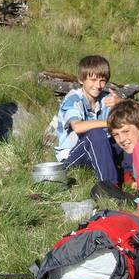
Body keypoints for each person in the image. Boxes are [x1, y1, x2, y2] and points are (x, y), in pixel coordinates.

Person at [54, 55, 129, 187]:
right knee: (96, 133)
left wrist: (121, 105)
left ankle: (132, 178)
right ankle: (110, 187)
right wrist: (109, 123)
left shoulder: (106, 99)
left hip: (101, 151)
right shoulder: (73, 98)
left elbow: (134, 121)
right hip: (73, 156)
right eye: (93, 80)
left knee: (128, 133)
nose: (98, 86)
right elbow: (77, 127)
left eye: (102, 81)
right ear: (81, 80)